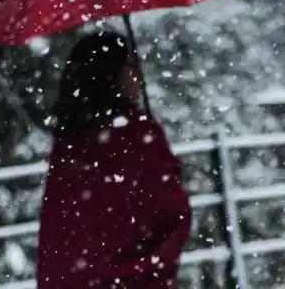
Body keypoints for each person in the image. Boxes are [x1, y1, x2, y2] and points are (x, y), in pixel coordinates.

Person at [37, 30, 191, 289]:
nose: (137, 74)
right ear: (111, 74)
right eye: (130, 65)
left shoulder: (71, 140)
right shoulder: (134, 134)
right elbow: (169, 208)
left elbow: (65, 231)